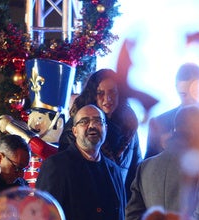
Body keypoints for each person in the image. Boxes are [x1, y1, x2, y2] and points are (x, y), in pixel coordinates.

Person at [36, 104, 134, 220]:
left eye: (98, 121)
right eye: (84, 121)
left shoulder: (113, 169)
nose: (92, 126)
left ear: (105, 128)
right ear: (74, 130)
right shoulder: (57, 166)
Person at [58, 68, 141, 201]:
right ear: (92, 95)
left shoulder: (129, 126)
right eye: (100, 93)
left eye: (112, 92)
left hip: (120, 208)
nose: (107, 99)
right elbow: (66, 174)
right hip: (87, 206)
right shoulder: (76, 127)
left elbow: (136, 173)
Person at [145, 62, 199, 159]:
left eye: (193, 92)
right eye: (183, 94)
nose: (189, 98)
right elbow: (145, 168)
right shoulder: (158, 124)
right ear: (176, 88)